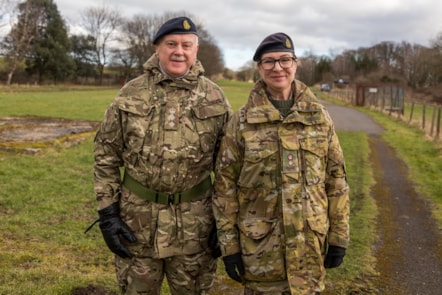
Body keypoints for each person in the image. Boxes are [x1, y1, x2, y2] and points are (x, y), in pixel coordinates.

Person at [92, 16, 232, 295]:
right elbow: (105, 156)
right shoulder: (130, 95)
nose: (178, 51)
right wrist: (108, 214)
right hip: (137, 224)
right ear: (157, 48)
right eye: (171, 44)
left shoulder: (215, 98)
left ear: (196, 50)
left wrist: (225, 220)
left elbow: (229, 168)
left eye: (186, 45)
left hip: (196, 227)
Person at [212, 32, 350, 295]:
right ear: (259, 68)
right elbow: (224, 189)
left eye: (285, 60)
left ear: (295, 64)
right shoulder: (241, 122)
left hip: (309, 252)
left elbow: (337, 181)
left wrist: (339, 237)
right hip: (261, 254)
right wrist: (229, 247)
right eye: (269, 61)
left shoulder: (319, 118)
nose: (278, 68)